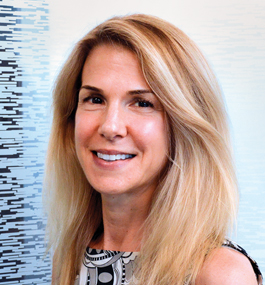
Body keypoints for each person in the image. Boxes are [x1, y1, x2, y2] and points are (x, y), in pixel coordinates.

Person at [44, 14, 263, 285]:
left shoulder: (218, 273)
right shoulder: (68, 258)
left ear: (184, 125)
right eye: (95, 99)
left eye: (142, 103)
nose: (110, 127)